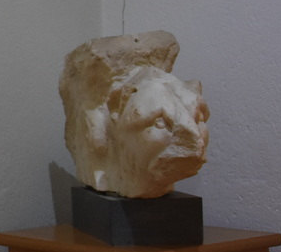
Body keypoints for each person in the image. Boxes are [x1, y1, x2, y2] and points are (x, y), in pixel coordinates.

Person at [59, 31, 208, 199]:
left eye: (199, 119)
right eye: (160, 123)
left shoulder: (165, 93)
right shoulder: (102, 118)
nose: (196, 139)